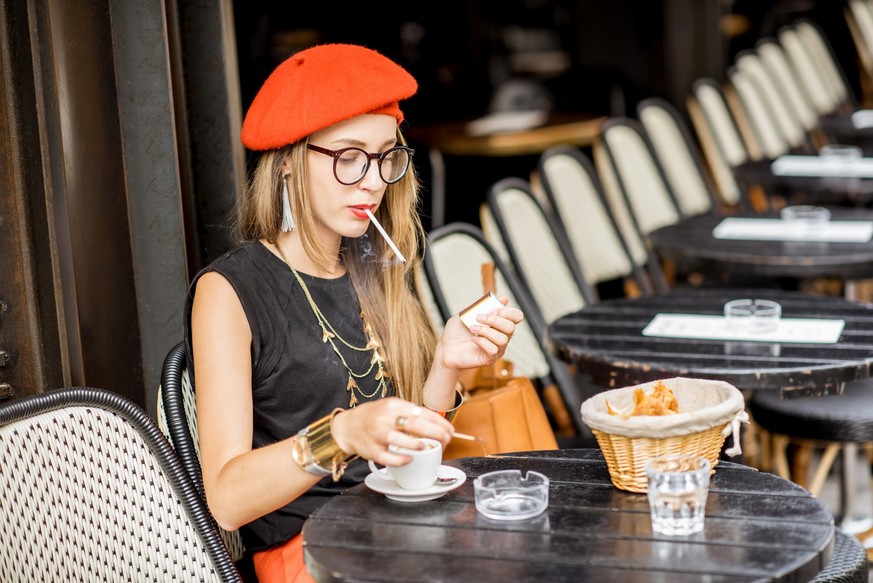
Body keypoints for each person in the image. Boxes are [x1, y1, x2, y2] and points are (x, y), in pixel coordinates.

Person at [185, 43, 524, 582]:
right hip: (310, 553)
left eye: (386, 155)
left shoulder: (373, 262)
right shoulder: (230, 291)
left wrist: (446, 366)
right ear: (291, 163)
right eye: (348, 156)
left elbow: (404, 452)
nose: (371, 180)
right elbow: (226, 499)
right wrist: (339, 435)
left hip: (402, 525)